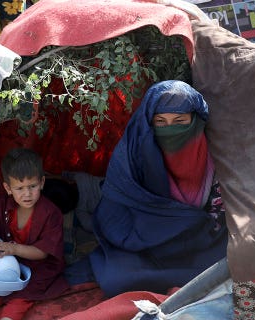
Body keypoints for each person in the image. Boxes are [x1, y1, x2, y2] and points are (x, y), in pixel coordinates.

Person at [89, 80, 228, 297]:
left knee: (229, 264)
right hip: (144, 245)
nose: (170, 130)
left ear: (196, 121)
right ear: (149, 123)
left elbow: (219, 214)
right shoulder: (134, 150)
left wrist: (191, 231)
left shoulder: (216, 152)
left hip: (199, 242)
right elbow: (115, 211)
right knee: (117, 279)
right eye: (161, 122)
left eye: (179, 121)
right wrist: (151, 235)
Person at [0, 148, 69, 320]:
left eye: (32, 186)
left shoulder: (51, 214)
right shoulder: (2, 206)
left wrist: (14, 249)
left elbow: (42, 252)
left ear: (41, 182)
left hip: (37, 269)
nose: (27, 194)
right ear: (8, 188)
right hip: (7, 262)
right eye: (19, 188)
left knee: (19, 299)